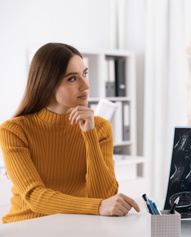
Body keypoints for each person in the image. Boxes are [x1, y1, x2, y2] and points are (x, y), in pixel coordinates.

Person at [0, 43, 140, 224]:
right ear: (47, 84)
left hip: (76, 227)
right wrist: (96, 207)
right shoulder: (14, 131)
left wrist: (89, 135)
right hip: (26, 228)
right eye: (72, 78)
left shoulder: (100, 127)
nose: (86, 85)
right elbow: (35, 197)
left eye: (85, 74)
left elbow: (104, 196)